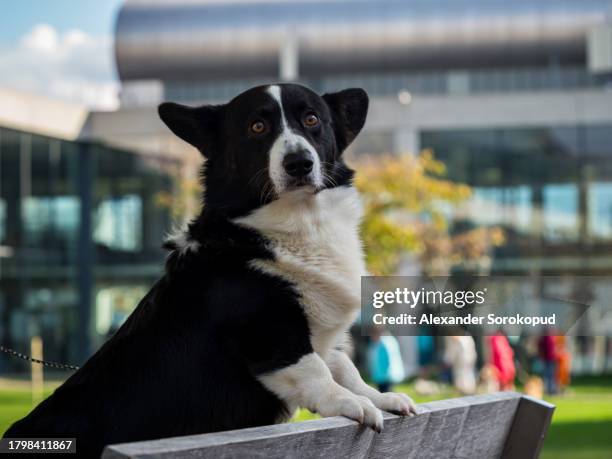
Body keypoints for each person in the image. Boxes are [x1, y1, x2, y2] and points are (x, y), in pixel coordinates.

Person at [368, 326, 405, 392]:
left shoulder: (383, 343)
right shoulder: (389, 340)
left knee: (385, 394)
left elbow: (387, 360)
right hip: (387, 375)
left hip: (384, 376)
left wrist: (382, 374)